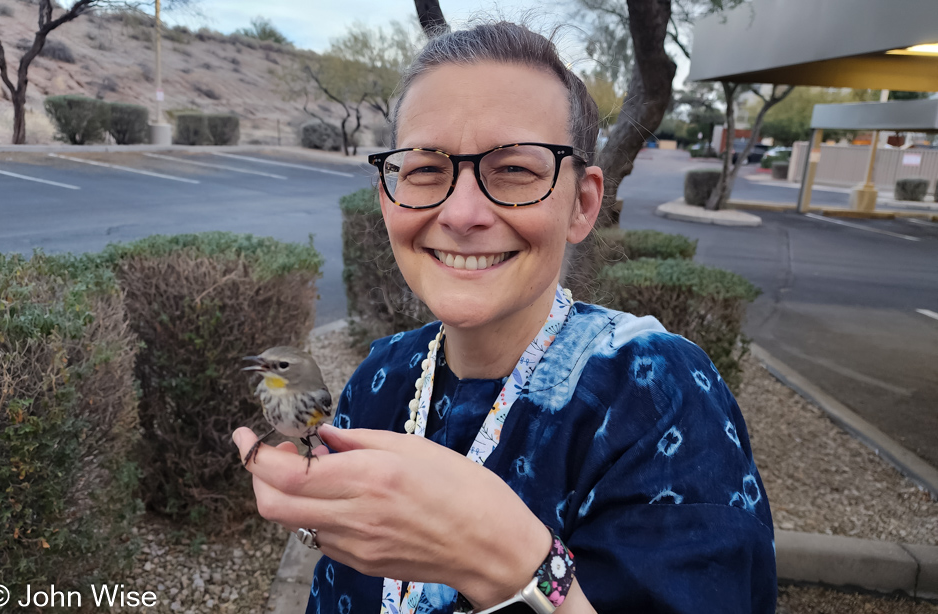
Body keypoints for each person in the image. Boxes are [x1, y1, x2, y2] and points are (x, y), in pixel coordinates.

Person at [233, 20, 776, 614]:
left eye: (515, 170)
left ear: (583, 204)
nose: (462, 212)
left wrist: (516, 564)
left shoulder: (658, 401)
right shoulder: (382, 377)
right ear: (389, 200)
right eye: (423, 169)